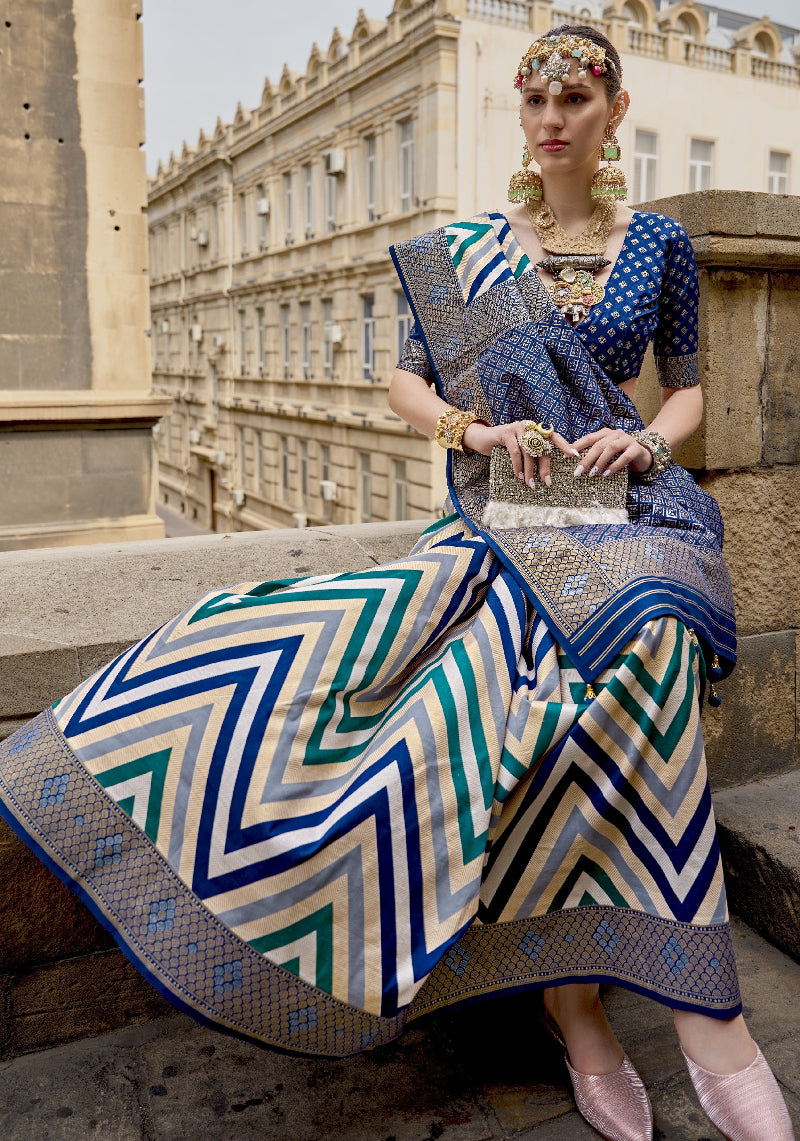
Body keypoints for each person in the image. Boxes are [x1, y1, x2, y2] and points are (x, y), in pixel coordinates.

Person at [0, 24, 792, 1141]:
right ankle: (576, 1007)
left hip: (627, 506)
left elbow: (686, 391)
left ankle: (686, 1011)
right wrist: (477, 424)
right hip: (505, 497)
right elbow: (403, 385)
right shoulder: (466, 250)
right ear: (522, 116)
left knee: (645, 650)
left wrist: (649, 446)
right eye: (535, 98)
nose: (552, 116)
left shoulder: (655, 242)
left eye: (574, 96)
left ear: (614, 112)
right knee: (481, 676)